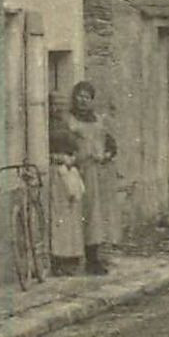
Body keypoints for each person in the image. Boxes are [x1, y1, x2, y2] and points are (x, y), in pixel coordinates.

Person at [67, 80, 118, 275]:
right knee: (79, 214)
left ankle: (94, 258)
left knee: (96, 215)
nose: (82, 100)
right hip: (78, 171)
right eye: (79, 96)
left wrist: (107, 155)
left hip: (98, 173)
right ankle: (75, 257)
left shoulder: (97, 120)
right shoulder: (69, 121)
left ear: (91, 100)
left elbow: (111, 144)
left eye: (86, 97)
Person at [46, 91, 85, 274]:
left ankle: (72, 258)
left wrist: (73, 158)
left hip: (70, 172)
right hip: (55, 173)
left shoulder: (69, 124)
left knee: (72, 218)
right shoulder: (45, 125)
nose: (57, 109)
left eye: (61, 105)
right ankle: (58, 260)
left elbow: (79, 147)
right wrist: (56, 157)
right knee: (58, 218)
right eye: (54, 105)